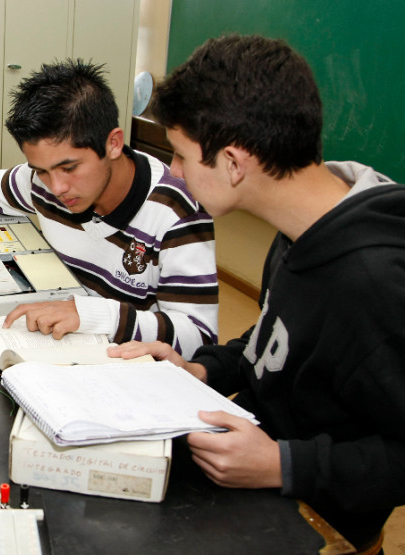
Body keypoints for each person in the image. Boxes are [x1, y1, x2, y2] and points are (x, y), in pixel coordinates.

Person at [109, 35, 405, 551]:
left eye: (181, 155)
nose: (174, 171)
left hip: (311, 516)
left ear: (233, 162)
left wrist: (283, 464)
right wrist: (202, 371)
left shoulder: (375, 283)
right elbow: (276, 341)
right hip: (250, 460)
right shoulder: (302, 227)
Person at [0, 59, 218, 357]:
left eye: (69, 168)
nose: (56, 188)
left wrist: (93, 315)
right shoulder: (41, 181)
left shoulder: (177, 212)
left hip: (127, 365)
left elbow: (199, 338)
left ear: (113, 144)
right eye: (41, 170)